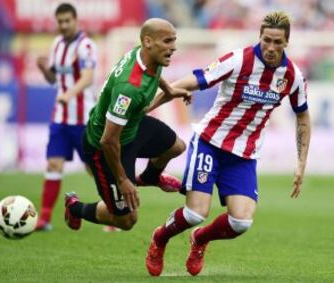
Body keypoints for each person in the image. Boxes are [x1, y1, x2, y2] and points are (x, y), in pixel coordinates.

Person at [145, 11, 311, 276]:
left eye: (277, 42)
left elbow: (302, 116)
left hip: (243, 155)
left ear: (286, 43)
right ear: (260, 36)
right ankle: (160, 238)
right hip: (210, 142)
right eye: (266, 40)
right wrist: (150, 104)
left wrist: (301, 163)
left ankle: (200, 239)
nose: (270, 47)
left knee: (241, 222)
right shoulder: (238, 60)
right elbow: (193, 80)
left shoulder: (292, 76)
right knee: (195, 213)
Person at [63, 18, 191, 231]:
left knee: (176, 147)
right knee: (126, 220)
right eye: (168, 41)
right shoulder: (129, 88)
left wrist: (169, 91)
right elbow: (108, 140)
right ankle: (75, 207)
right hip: (105, 148)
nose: (173, 47)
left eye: (174, 41)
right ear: (148, 42)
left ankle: (150, 177)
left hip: (131, 128)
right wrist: (122, 180)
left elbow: (154, 74)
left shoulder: (146, 54)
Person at [36, 3, 98, 231]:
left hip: (84, 119)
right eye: (59, 22)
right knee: (53, 164)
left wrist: (69, 94)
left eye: (67, 21)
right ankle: (44, 219)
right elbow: (54, 80)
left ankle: (113, 211)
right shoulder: (57, 44)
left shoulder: (86, 46)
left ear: (75, 20)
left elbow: (88, 78)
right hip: (61, 117)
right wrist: (44, 70)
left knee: (94, 169)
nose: (63, 25)